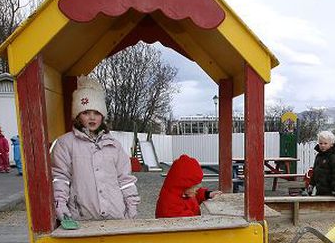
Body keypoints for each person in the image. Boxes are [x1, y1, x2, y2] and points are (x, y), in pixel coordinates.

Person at [51, 75, 140, 221]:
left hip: (116, 215)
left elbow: (125, 179)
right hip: (83, 216)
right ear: (78, 115)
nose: (92, 118)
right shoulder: (65, 144)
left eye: (97, 113)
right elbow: (60, 177)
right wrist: (60, 205)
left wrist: (131, 207)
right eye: (86, 113)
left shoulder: (114, 146)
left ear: (102, 116)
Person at [155, 154, 222, 218]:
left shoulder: (183, 193)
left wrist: (207, 194)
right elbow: (188, 222)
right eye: (195, 187)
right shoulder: (170, 204)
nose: (196, 191)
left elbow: (194, 196)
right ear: (184, 186)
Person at [306, 130, 335, 196]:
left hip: (332, 192)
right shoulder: (319, 156)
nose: (323, 145)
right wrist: (311, 185)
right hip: (320, 190)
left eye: (325, 143)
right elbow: (315, 172)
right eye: (320, 143)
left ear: (331, 144)